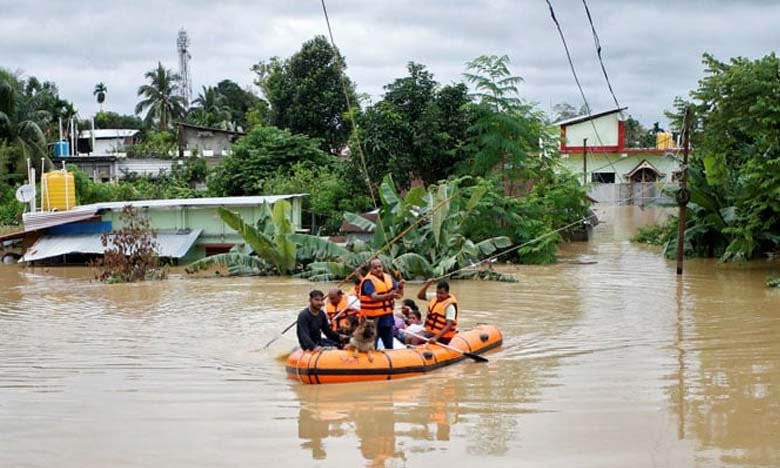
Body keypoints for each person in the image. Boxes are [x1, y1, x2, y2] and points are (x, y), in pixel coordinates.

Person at [358, 259, 404, 350]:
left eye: (380, 266)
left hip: (387, 316)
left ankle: (390, 356)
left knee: (389, 343)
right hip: (373, 319)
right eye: (375, 268)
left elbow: (399, 296)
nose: (378, 269)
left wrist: (400, 287)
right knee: (372, 342)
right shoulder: (368, 281)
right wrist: (389, 295)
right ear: (370, 270)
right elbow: (373, 297)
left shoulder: (388, 278)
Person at [410, 279, 458, 345]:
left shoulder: (450, 306)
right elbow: (420, 296)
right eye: (437, 292)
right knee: (408, 338)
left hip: (443, 336)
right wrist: (427, 285)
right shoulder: (435, 297)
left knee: (414, 339)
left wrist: (436, 337)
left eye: (441, 293)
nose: (439, 295)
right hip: (431, 331)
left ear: (447, 293)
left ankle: (414, 353)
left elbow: (449, 325)